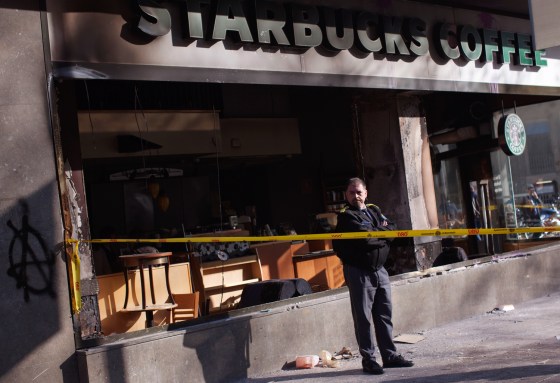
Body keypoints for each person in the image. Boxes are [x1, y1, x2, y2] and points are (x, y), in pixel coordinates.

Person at [333, 177, 413, 375]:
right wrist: (382, 235)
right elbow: (365, 240)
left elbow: (393, 230)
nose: (356, 196)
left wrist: (378, 233)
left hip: (380, 270)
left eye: (359, 192)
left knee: (384, 315)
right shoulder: (346, 216)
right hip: (359, 272)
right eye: (351, 192)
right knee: (364, 319)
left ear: (366, 192)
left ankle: (390, 356)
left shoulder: (374, 210)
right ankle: (368, 359)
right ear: (346, 195)